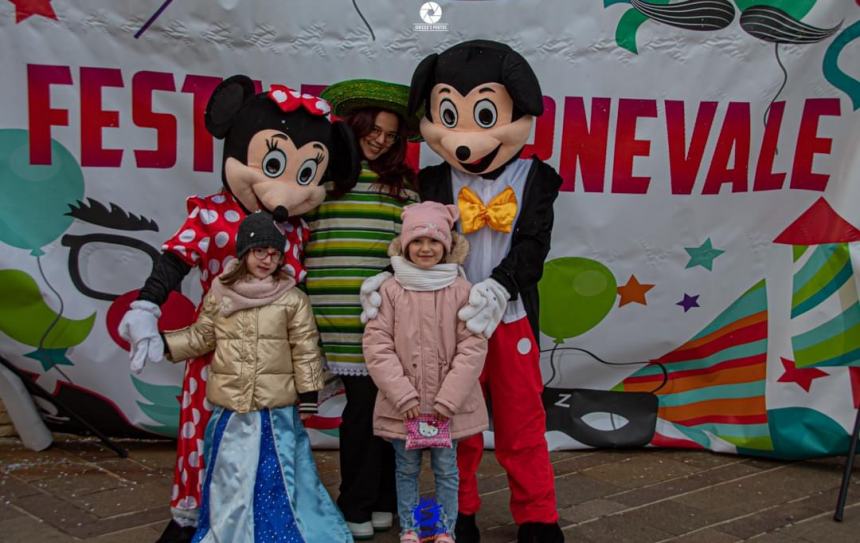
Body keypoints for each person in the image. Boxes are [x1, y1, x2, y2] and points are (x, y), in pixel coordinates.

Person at [161, 212, 352, 543]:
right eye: (260, 250)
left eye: (274, 253)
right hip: (232, 408)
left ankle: (277, 532)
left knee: (276, 477)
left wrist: (308, 395)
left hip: (274, 413)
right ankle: (233, 531)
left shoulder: (292, 298)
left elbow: (305, 350)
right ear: (244, 253)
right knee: (230, 475)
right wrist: (165, 344)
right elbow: (203, 336)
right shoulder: (220, 293)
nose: (267, 259)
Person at [304, 79, 420, 539]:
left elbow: (410, 251)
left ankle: (370, 504)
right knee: (365, 409)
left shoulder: (401, 187)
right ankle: (366, 503)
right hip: (332, 310)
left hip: (382, 315)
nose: (381, 139)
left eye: (392, 135)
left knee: (379, 407)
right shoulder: (322, 179)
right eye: (375, 129)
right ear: (355, 127)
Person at [363, 202, 488, 543]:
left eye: (434, 241)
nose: (425, 248)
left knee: (447, 470)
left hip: (448, 407)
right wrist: (402, 394)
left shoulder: (462, 290)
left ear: (446, 246)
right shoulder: (389, 291)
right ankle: (412, 527)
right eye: (417, 241)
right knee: (406, 470)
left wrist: (449, 397)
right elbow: (377, 346)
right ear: (405, 245)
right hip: (406, 407)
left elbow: (473, 347)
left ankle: (443, 529)